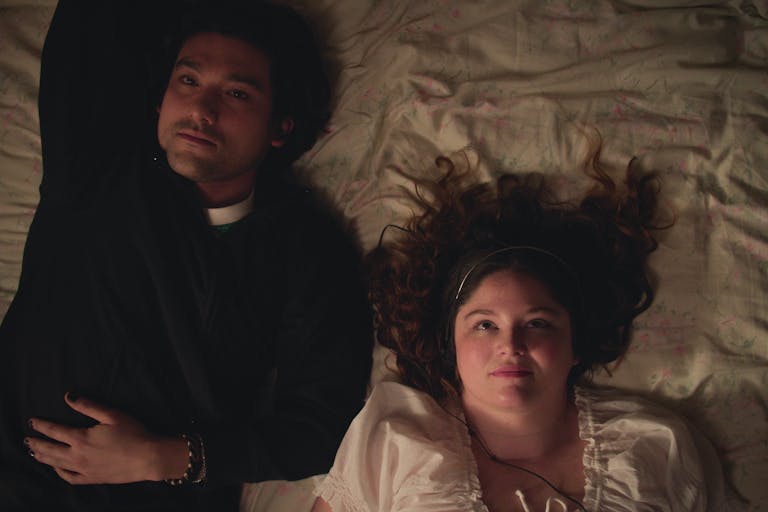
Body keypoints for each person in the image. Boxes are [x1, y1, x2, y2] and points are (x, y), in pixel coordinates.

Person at [0, 2, 372, 511]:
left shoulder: (305, 249)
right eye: (188, 81)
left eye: (237, 93)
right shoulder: (97, 168)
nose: (202, 109)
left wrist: (163, 457)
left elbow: (323, 424)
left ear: (280, 127)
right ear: (159, 99)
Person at [311, 152, 745, 511]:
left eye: (538, 323)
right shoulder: (394, 443)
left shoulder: (656, 447)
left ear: (575, 344)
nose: (510, 346)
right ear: (450, 344)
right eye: (484, 325)